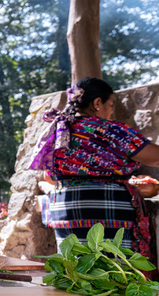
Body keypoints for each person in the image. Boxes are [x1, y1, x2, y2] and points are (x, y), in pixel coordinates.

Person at [29, 77, 159, 260]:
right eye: (111, 105)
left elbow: (48, 176)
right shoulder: (110, 130)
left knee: (77, 270)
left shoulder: (58, 131)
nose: (111, 111)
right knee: (114, 271)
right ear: (98, 103)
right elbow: (155, 158)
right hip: (106, 211)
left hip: (65, 211)